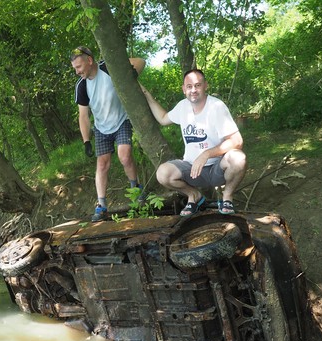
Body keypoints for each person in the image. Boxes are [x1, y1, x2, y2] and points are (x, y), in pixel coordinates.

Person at [140, 69, 246, 216]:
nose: (193, 90)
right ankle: (194, 196)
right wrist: (146, 94)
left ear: (205, 86)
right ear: (184, 89)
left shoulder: (216, 107)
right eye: (189, 86)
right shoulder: (183, 107)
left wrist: (207, 154)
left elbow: (237, 140)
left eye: (197, 85)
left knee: (239, 158)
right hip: (192, 170)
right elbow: (163, 118)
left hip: (218, 167)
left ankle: (227, 197)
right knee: (163, 173)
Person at [70, 46, 146, 221]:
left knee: (125, 156)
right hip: (101, 128)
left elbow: (141, 62)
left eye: (79, 67)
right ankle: (102, 206)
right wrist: (86, 141)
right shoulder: (81, 86)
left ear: (89, 61)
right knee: (102, 165)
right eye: (74, 68)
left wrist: (132, 74)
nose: (77, 71)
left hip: (121, 120)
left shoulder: (108, 67)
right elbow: (83, 116)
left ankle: (137, 190)